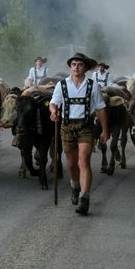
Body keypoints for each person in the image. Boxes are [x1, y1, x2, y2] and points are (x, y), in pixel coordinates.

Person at [49, 52, 108, 217]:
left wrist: (105, 130)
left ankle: (84, 197)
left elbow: (100, 108)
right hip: (67, 127)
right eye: (74, 64)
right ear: (70, 66)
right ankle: (75, 185)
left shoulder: (93, 85)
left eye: (80, 64)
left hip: (85, 127)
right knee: (71, 163)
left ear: (85, 67)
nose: (76, 67)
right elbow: (54, 103)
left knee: (84, 161)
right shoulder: (62, 85)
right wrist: (53, 112)